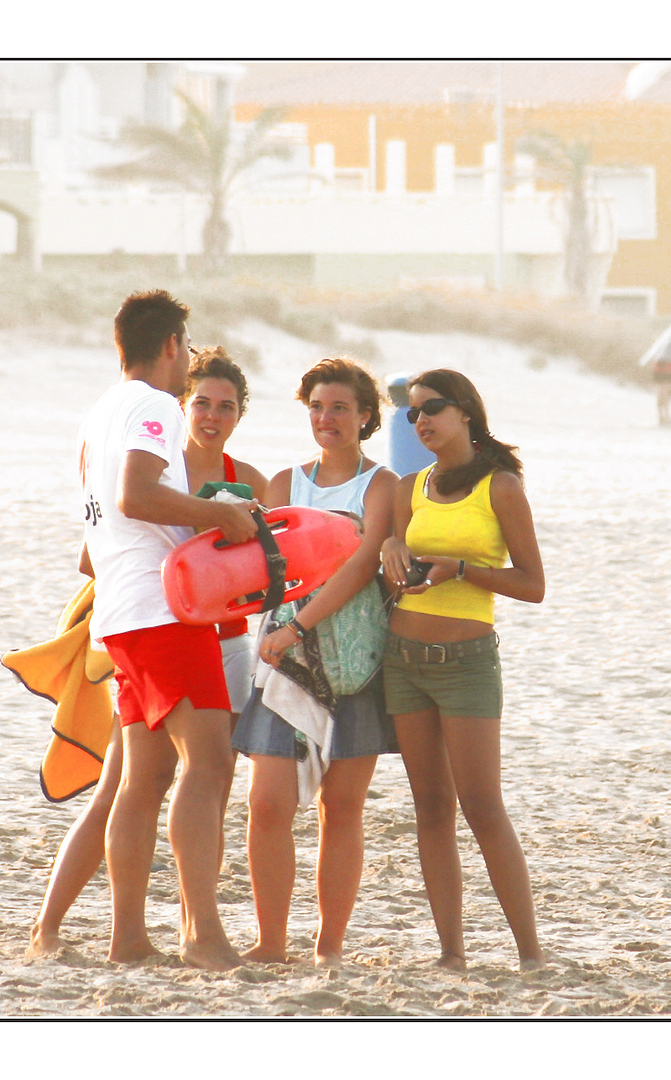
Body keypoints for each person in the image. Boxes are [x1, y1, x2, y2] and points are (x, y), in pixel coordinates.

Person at [29, 345, 267, 959]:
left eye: (226, 406)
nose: (212, 416)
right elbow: (117, 523)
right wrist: (210, 524)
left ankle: (139, 936)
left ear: (241, 414)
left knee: (159, 780)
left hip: (176, 631)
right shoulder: (158, 441)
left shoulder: (243, 475)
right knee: (192, 772)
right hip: (162, 620)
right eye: (203, 403)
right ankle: (196, 936)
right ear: (182, 398)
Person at [232, 357, 400, 969]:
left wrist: (302, 622)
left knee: (341, 807)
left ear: (364, 417)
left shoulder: (381, 486)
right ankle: (271, 942)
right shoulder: (283, 483)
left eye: (340, 408)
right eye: (317, 407)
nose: (326, 419)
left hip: (355, 663)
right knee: (268, 804)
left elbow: (361, 568)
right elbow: (263, 572)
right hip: (285, 661)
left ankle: (329, 947)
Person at [377, 369, 547, 972]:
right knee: (430, 808)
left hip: (467, 663)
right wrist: (389, 551)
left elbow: (534, 585)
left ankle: (530, 953)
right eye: (413, 413)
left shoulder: (500, 487)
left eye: (433, 409)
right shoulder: (409, 487)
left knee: (482, 805)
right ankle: (451, 952)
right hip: (404, 660)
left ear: (466, 412)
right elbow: (396, 562)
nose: (420, 420)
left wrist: (463, 569)